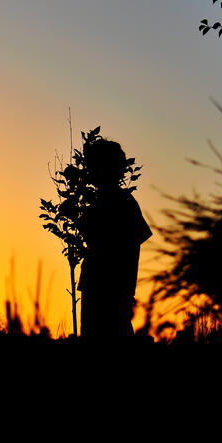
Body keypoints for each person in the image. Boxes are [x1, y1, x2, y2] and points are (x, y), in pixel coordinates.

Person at [78, 138, 152, 342]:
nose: (89, 170)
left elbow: (128, 246)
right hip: (102, 286)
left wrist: (126, 292)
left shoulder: (121, 202)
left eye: (93, 165)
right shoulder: (110, 201)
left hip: (109, 290)